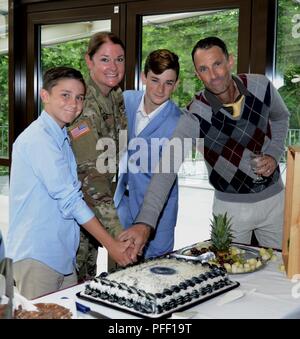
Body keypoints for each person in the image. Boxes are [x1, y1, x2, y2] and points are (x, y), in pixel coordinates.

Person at [119, 36, 290, 255]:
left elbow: (281, 118)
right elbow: (166, 170)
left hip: (275, 200)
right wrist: (144, 223)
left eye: (217, 64)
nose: (213, 76)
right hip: (230, 209)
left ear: (230, 61)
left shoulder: (261, 86)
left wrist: (274, 154)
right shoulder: (195, 113)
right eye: (204, 69)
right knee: (231, 277)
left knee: (281, 270)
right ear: (197, 74)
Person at [6, 67, 132, 300]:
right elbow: (71, 200)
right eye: (65, 95)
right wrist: (112, 244)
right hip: (38, 256)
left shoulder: (62, 137)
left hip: (62, 256)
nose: (73, 103)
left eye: (79, 97)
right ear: (45, 96)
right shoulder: (39, 139)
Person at [68, 32, 127, 281]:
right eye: (105, 59)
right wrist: (119, 236)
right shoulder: (84, 107)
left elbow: (121, 152)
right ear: (89, 61)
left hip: (103, 205)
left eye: (119, 59)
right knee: (77, 288)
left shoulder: (115, 96)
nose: (113, 67)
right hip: (79, 214)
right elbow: (92, 181)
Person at [114, 49, 181, 258]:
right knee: (119, 280)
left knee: (154, 276)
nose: (160, 89)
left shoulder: (181, 123)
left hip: (158, 216)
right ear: (144, 77)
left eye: (168, 83)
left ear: (176, 84)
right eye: (154, 80)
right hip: (121, 208)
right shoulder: (126, 101)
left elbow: (165, 177)